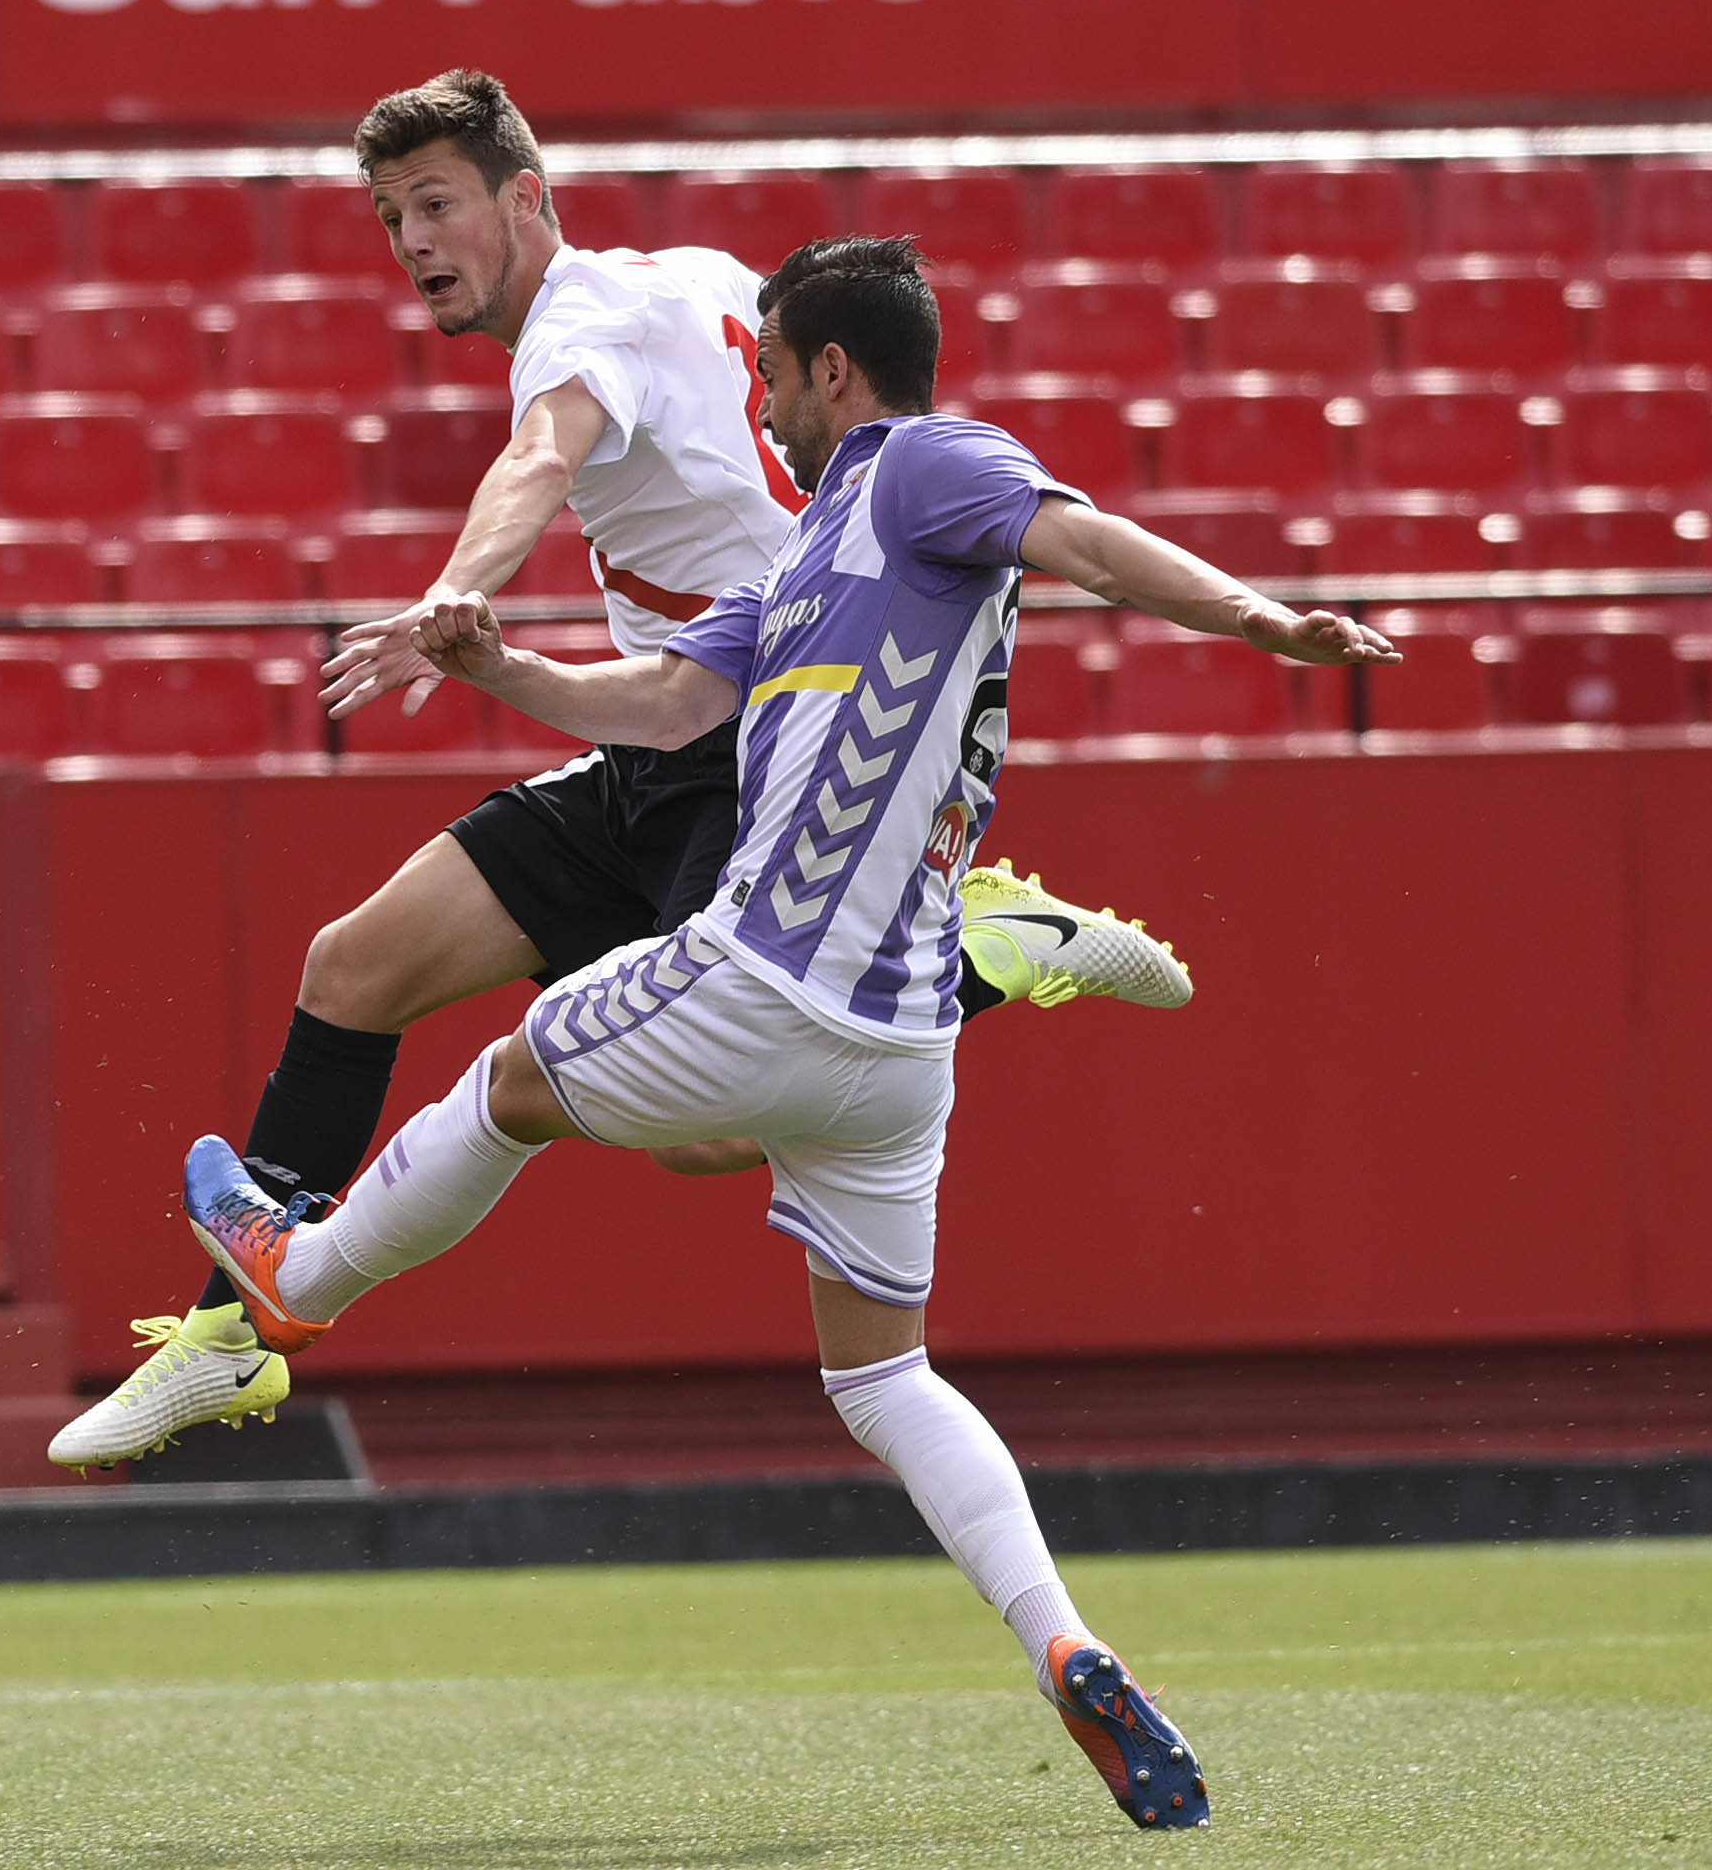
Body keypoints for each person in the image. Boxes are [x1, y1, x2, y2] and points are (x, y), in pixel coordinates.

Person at [167, 235, 1399, 1829]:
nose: (757, 400)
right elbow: (663, 711)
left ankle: (296, 1276)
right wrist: (504, 664)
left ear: (833, 370)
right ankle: (1068, 1641)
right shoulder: (805, 556)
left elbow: (1083, 544)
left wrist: (1259, 619)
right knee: (883, 1376)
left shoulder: (919, 468)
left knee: (512, 1071)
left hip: (769, 972)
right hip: (898, 1053)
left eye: (770, 373)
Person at [49, 70, 1190, 1471]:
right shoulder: (693, 276)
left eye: (437, 205)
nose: (411, 241)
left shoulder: (574, 331)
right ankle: (233, 1343)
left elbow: (540, 457)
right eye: (390, 214)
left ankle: (980, 944)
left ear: (525, 199)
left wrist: (452, 594)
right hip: (654, 739)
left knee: (704, 1143)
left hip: (746, 750)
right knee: (354, 964)